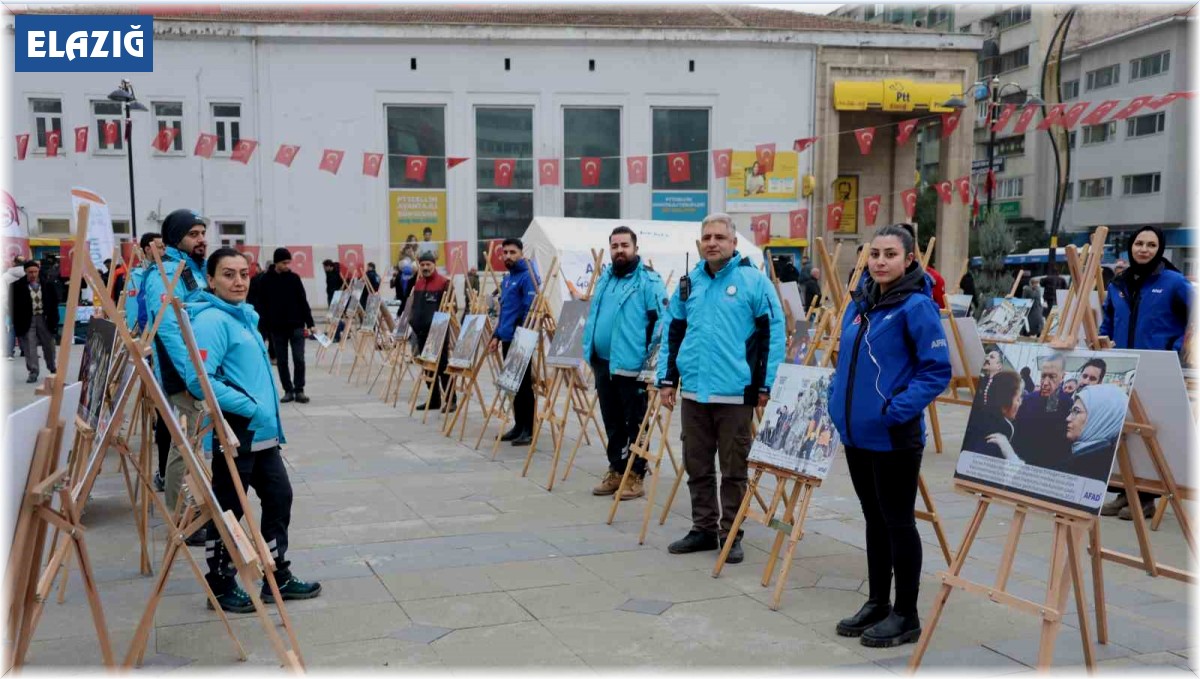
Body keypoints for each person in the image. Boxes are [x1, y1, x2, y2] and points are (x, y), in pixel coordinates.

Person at [826, 224, 950, 648]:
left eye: (890, 254)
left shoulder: (917, 306)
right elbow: (845, 359)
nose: (880, 261)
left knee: (897, 522)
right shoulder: (860, 303)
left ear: (909, 259)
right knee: (873, 520)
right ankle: (878, 602)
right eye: (875, 254)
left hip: (893, 436)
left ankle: (906, 613)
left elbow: (936, 370)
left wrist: (894, 411)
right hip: (856, 435)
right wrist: (834, 400)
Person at [181, 247, 321, 613]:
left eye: (244, 273)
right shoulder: (212, 320)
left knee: (279, 497)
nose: (239, 280)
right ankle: (220, 582)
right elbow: (199, 381)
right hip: (235, 435)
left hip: (263, 436)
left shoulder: (242, 315)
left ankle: (278, 574)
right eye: (229, 274)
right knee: (229, 510)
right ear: (211, 279)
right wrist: (251, 407)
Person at [657, 213, 785, 565]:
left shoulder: (754, 282)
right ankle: (703, 527)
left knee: (734, 468)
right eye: (707, 237)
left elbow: (772, 333)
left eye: (720, 237)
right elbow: (673, 331)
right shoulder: (689, 283)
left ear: (733, 243)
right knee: (696, 463)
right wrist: (667, 379)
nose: (712, 242)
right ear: (700, 243)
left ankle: (730, 533)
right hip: (694, 392)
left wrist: (766, 383)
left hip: (735, 392)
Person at [1099, 226, 1192, 519]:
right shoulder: (1118, 284)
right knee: (1122, 431)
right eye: (1139, 243)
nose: (1144, 249)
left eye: (1151, 244)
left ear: (1159, 249)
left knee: (1150, 432)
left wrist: (1176, 346)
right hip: (1122, 366)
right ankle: (1123, 492)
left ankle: (1146, 498)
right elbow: (1108, 320)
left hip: (1158, 367)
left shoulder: (1174, 282)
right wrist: (1104, 342)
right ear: (1131, 247)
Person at [581, 226, 666, 501]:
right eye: (615, 246)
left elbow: (661, 324)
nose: (620, 250)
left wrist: (651, 367)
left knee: (635, 423)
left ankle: (636, 473)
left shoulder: (649, 281)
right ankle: (617, 469)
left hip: (633, 367)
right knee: (613, 422)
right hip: (604, 364)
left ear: (635, 248)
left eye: (624, 245)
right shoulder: (605, 278)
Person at [141, 209, 211, 534]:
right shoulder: (165, 274)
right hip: (182, 373)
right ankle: (179, 518)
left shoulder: (188, 269)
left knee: (190, 445)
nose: (201, 239)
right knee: (183, 447)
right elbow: (169, 330)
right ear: (176, 238)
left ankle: (191, 510)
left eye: (202, 233)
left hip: (197, 368)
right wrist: (191, 374)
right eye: (194, 234)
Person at [488, 238, 539, 445]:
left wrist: (521, 334)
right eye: (505, 252)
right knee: (513, 386)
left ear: (521, 253)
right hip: (507, 338)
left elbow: (529, 310)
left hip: (521, 339)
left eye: (512, 252)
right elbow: (504, 312)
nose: (508, 256)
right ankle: (518, 426)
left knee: (525, 385)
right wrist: (496, 336)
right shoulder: (507, 278)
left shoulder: (528, 276)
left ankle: (528, 429)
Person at [254, 248, 315, 404]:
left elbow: (303, 301)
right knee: (281, 361)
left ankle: (299, 390)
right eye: (284, 263)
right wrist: (263, 327)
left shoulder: (294, 278)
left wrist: (311, 323)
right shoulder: (265, 280)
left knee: (299, 359)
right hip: (276, 328)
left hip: (296, 326)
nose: (287, 265)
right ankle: (288, 390)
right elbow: (261, 305)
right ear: (276, 262)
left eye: (288, 262)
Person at [409, 251, 454, 412]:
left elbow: (451, 307)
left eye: (428, 264)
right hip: (420, 331)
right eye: (422, 264)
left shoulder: (443, 283)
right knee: (427, 366)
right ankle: (434, 399)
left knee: (442, 367)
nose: (425, 267)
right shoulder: (419, 283)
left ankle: (450, 400)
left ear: (434, 265)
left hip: (438, 332)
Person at [1010, 353, 1073, 468]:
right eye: (1043, 376)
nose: (1045, 382)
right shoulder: (1028, 399)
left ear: (1063, 376)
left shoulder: (1068, 404)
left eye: (1052, 376)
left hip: (1048, 470)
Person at [10, 260, 59, 383]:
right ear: (25, 272)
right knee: (29, 347)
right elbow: (11, 305)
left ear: (38, 271)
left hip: (44, 318)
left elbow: (54, 303)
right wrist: (15, 321)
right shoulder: (16, 286)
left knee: (49, 345)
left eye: (35, 271)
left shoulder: (48, 284)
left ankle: (52, 367)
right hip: (27, 319)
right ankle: (33, 371)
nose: (33, 274)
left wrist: (54, 320)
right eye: (30, 272)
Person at [962, 370, 1023, 459]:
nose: (1020, 403)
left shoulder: (979, 416)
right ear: (1004, 406)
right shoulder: (1004, 430)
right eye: (1018, 399)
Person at [4, 255, 27, 359]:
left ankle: (9, 352)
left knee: (10, 328)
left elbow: (3, 293)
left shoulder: (5, 276)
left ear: (14, 263)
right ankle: (25, 350)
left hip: (10, 306)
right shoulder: (28, 275)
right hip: (25, 306)